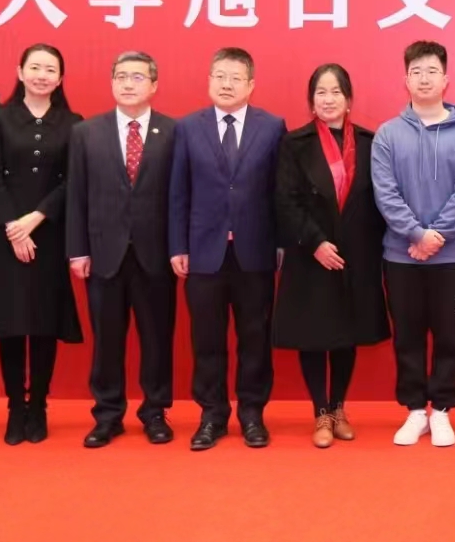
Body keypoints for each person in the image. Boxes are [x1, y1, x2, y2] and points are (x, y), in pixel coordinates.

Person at [169, 48, 286, 451]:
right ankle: (212, 415)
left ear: (250, 85)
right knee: (207, 339)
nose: (226, 84)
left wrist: (281, 243)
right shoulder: (188, 127)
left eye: (235, 78)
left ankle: (252, 414)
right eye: (219, 76)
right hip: (203, 252)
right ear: (209, 80)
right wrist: (178, 245)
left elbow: (279, 192)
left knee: (255, 337)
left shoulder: (272, 127)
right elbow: (178, 192)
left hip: (255, 251)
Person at [371, 41, 455, 449]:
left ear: (445, 79)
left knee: (451, 336)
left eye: (431, 71)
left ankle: (443, 411)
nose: (424, 78)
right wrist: (417, 236)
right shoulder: (388, 134)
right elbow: (385, 194)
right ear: (406, 79)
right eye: (416, 71)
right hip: (402, 257)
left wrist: (434, 237)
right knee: (408, 335)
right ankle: (416, 410)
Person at [273, 64, 391, 448]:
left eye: (336, 91)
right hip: (311, 255)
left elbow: (381, 199)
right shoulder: (295, 143)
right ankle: (320, 411)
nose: (328, 99)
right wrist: (316, 243)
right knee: (313, 335)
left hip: (357, 255)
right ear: (311, 101)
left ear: (349, 99)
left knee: (346, 333)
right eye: (321, 92)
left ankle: (339, 407)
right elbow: (286, 201)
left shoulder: (371, 143)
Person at [66, 51, 179, 448]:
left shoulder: (173, 131)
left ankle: (155, 412)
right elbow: (76, 194)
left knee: (157, 339)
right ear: (112, 82)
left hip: (156, 255)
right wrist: (77, 250)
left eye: (138, 77)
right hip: (103, 254)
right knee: (107, 341)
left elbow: (180, 197)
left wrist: (178, 248)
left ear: (154, 84)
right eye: (121, 76)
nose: (128, 83)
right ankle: (107, 414)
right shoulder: (86, 132)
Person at [0, 44, 84, 444]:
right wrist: (13, 227)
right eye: (34, 67)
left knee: (42, 322)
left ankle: (38, 404)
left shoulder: (73, 123)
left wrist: (36, 219)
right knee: (11, 323)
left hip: (49, 235)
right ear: (20, 72)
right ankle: (14, 408)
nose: (41, 75)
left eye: (50, 69)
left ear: (60, 78)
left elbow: (73, 180)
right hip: (3, 237)